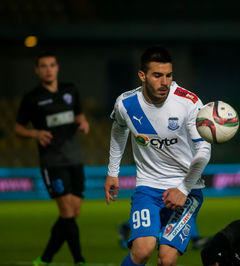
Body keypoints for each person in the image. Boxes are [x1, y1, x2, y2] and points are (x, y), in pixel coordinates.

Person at [104, 46, 211, 266]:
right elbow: (118, 129)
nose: (164, 82)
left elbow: (203, 150)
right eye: (157, 75)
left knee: (166, 260)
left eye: (169, 75)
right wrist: (112, 172)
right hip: (148, 187)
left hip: (187, 190)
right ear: (142, 76)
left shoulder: (188, 102)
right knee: (142, 251)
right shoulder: (126, 104)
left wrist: (183, 190)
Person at [14, 51, 89, 266]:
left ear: (57, 68)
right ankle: (79, 260)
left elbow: (79, 114)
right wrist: (35, 133)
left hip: (74, 158)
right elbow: (18, 129)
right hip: (52, 161)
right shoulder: (31, 98)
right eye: (43, 66)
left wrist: (83, 123)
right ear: (37, 70)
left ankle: (44, 259)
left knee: (72, 213)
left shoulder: (70, 90)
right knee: (66, 212)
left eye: (52, 65)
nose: (48, 69)